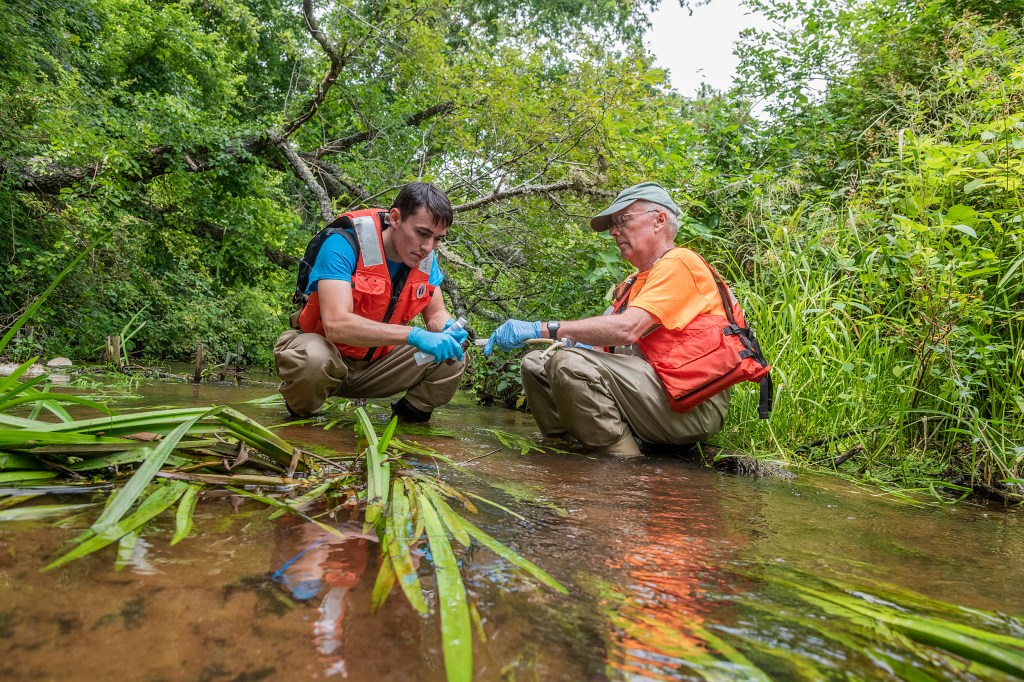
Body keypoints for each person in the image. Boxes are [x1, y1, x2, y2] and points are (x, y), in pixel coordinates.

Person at [484, 182, 736, 457]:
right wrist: (573, 343)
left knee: (569, 364)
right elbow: (604, 343)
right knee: (536, 364)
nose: (614, 231)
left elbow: (627, 329)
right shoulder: (632, 283)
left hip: (692, 405)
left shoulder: (680, 264)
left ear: (659, 220)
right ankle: (569, 450)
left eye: (623, 221)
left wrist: (543, 327)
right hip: (653, 394)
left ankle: (621, 465)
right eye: (613, 225)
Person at [275, 181, 467, 423]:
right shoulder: (343, 243)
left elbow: (436, 314)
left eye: (438, 239)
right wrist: (414, 335)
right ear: (395, 218)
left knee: (453, 357)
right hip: (326, 358)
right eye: (422, 233)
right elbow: (336, 325)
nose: (428, 247)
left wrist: (447, 328)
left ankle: (408, 423)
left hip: (377, 367)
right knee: (312, 359)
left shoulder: (426, 257)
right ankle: (303, 418)